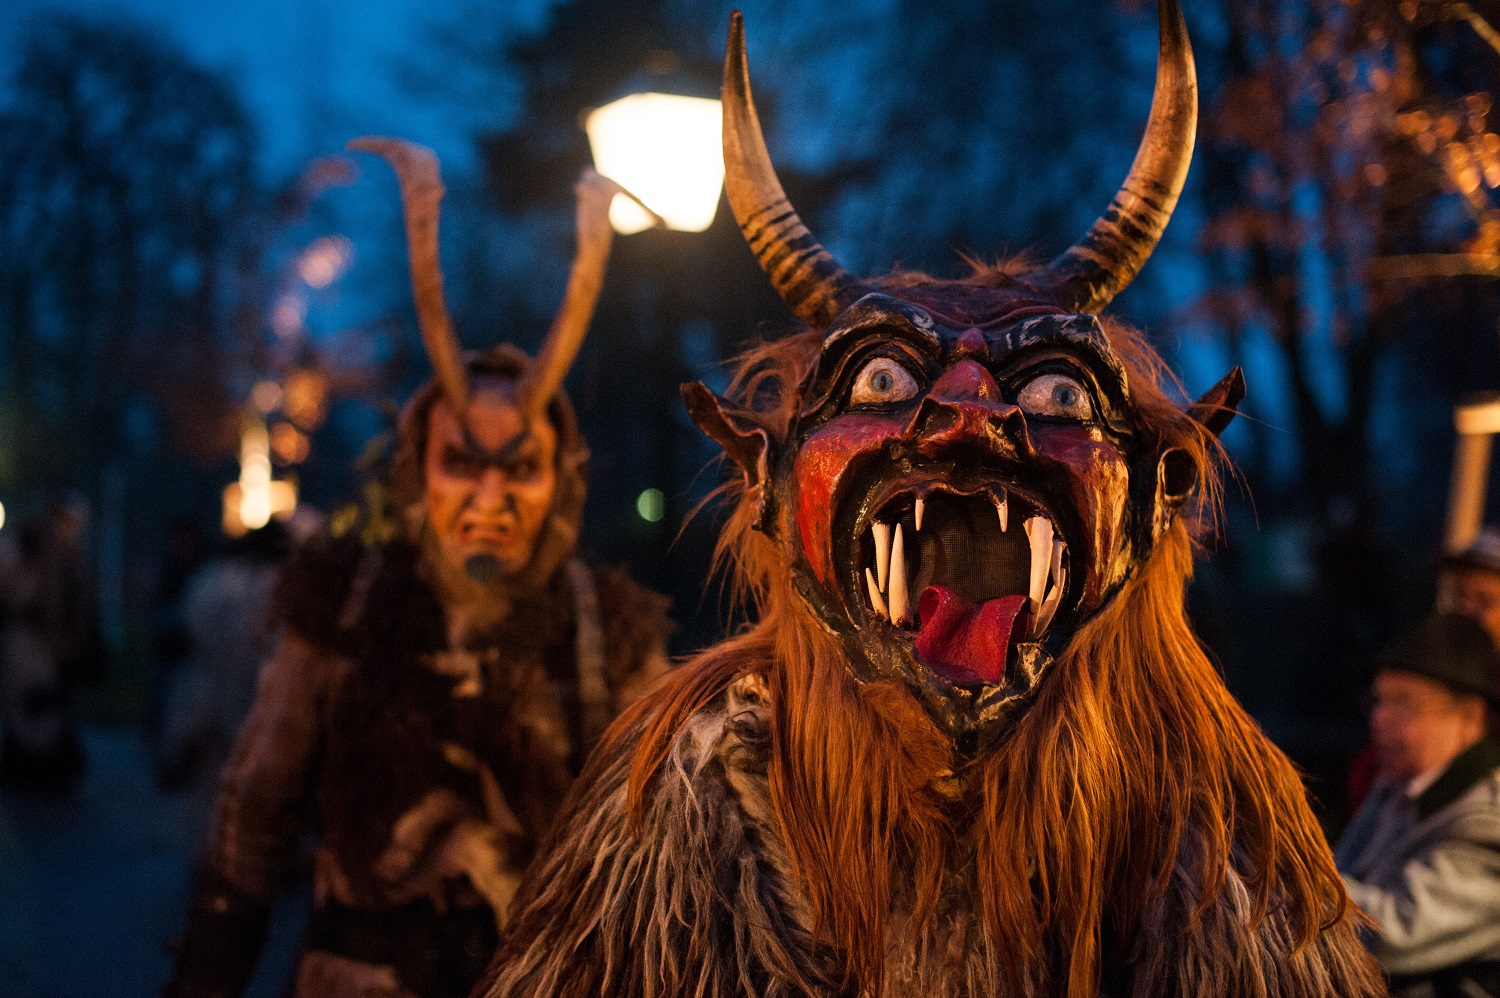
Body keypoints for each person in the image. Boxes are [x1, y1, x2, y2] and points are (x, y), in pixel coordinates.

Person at [477, 7, 1384, 996]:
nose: (964, 417)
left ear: (1159, 489)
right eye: (880, 384)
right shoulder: (698, 786)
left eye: (1055, 394)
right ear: (764, 476)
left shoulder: (1200, 816)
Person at [164, 142, 671, 998]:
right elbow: (253, 824)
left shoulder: (607, 631)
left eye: (521, 467)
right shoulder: (345, 607)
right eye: (460, 462)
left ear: (560, 485)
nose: (489, 493)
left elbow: (667, 843)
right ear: (417, 475)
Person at [1336, 612, 1500, 997]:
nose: (1379, 718)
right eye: (1379, 700)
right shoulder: (1397, 785)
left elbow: (1391, 935)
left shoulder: (1488, 822)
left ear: (1469, 718)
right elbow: (1345, 870)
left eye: (1404, 703)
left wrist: (1292, 876)